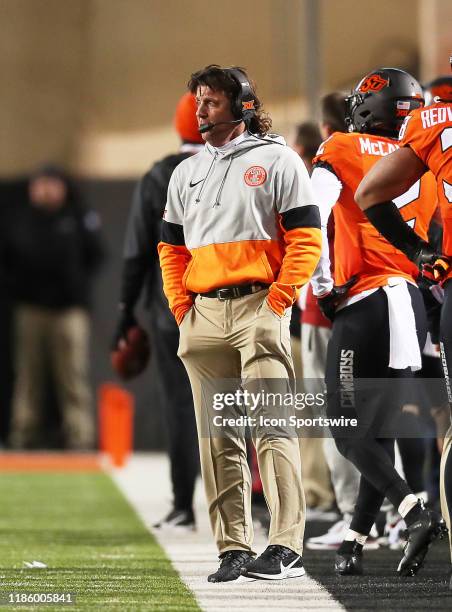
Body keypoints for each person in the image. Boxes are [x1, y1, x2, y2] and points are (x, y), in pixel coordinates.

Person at [158, 65, 322, 582]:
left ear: (242, 103)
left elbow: (307, 238)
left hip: (259, 306)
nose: (200, 110)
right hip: (203, 313)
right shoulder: (186, 172)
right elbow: (170, 248)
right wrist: (183, 309)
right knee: (218, 435)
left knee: (272, 427)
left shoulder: (277, 160)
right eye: (198, 101)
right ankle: (233, 546)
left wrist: (278, 300)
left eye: (211, 101)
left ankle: (286, 545)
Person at [310, 67, 446, 577]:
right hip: (410, 301)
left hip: (366, 300)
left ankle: (413, 512)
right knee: (379, 428)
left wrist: (322, 285)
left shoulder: (342, 146)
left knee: (348, 430)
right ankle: (356, 537)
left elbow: (310, 214)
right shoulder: (423, 160)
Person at [355, 65, 452, 584]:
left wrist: (420, 253)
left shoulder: (429, 125)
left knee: (375, 418)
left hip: (386, 290)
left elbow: (363, 197)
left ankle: (401, 519)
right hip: (413, 294)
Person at [112, 92, 203, 530]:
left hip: (173, 306)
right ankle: (253, 505)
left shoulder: (160, 175)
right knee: (235, 403)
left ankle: (184, 504)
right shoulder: (244, 166)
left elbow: (135, 254)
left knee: (181, 404)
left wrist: (125, 312)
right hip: (235, 301)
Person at [3, 165, 104, 449]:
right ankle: (23, 433)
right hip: (30, 309)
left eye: (51, 184)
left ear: (61, 188)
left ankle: (79, 436)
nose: (46, 190)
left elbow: (96, 256)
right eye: (40, 184)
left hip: (68, 311)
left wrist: (75, 287)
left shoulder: (77, 215)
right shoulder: (20, 218)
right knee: (28, 376)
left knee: (72, 375)